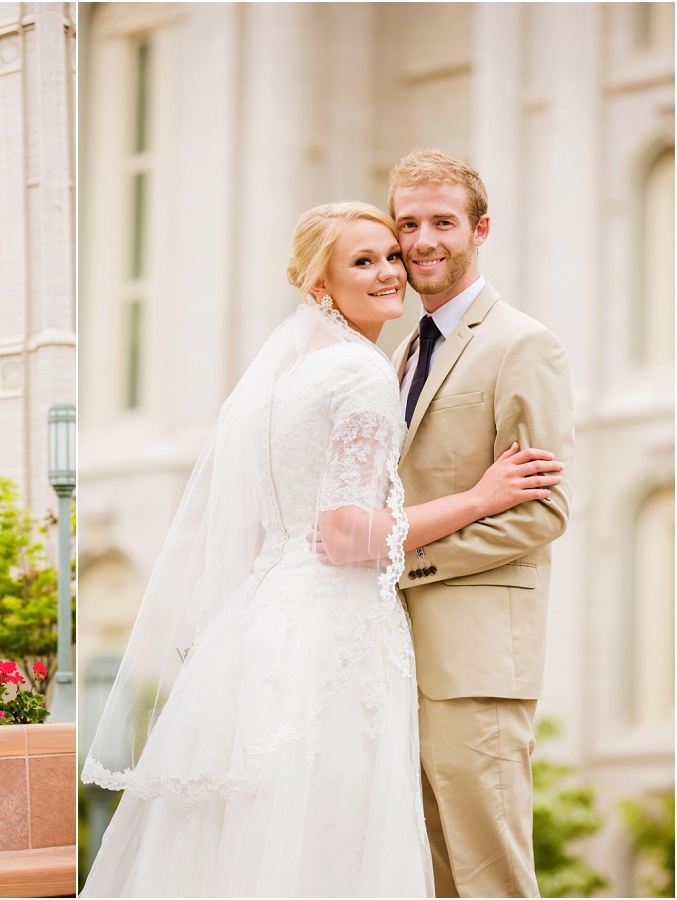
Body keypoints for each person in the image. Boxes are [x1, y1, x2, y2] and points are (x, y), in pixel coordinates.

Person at [79, 202, 563, 897]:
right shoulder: (362, 373)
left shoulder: (280, 377)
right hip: (336, 635)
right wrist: (481, 498)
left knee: (261, 836)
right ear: (318, 286)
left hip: (263, 623)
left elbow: (259, 531)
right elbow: (341, 535)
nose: (389, 271)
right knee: (335, 836)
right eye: (361, 263)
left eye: (389, 257)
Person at [389, 149, 575, 898]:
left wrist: (405, 565)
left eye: (443, 221)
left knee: (490, 875)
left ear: (481, 229)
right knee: (433, 874)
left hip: (476, 666)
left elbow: (543, 509)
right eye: (409, 223)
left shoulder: (523, 344)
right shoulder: (407, 352)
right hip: (400, 657)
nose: (424, 239)